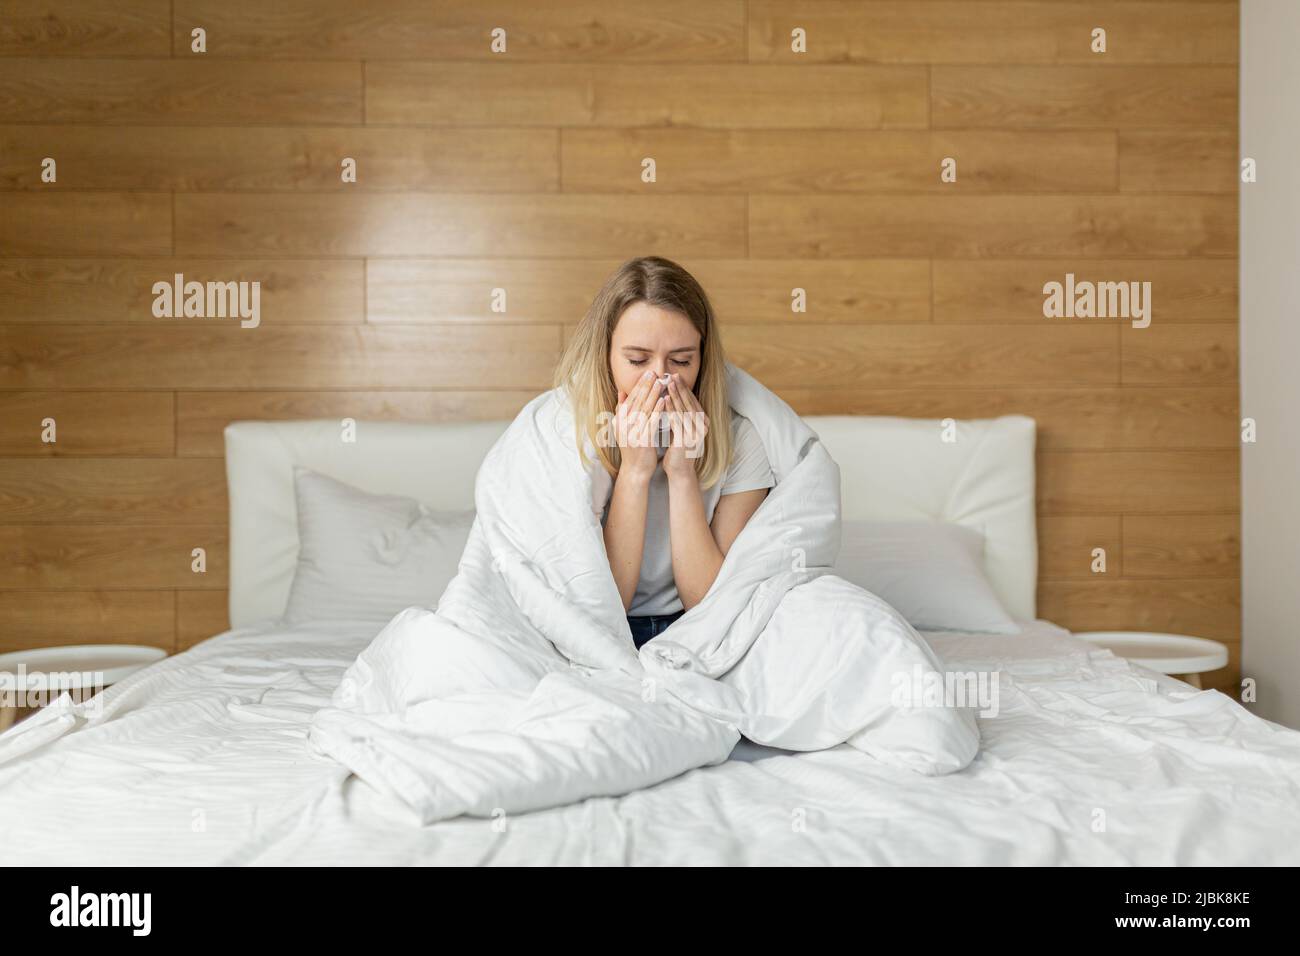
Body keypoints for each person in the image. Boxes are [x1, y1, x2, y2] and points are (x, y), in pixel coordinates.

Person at [553, 256, 775, 649]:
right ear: (605, 354)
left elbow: (709, 605)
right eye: (637, 360)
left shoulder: (741, 438)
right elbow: (604, 607)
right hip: (600, 631)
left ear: (703, 358)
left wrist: (682, 473)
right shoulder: (568, 431)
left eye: (682, 360)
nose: (660, 378)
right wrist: (635, 471)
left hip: (699, 632)